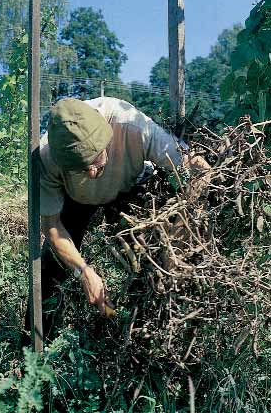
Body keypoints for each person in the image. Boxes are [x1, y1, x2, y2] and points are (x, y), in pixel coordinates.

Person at [40, 96, 209, 322]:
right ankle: (35, 349)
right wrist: (83, 271)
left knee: (146, 265)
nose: (91, 174)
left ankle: (139, 329)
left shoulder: (133, 126)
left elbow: (200, 169)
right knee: (50, 272)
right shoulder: (47, 155)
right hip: (76, 200)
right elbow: (52, 226)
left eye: (95, 160)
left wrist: (175, 242)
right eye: (81, 168)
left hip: (130, 188)